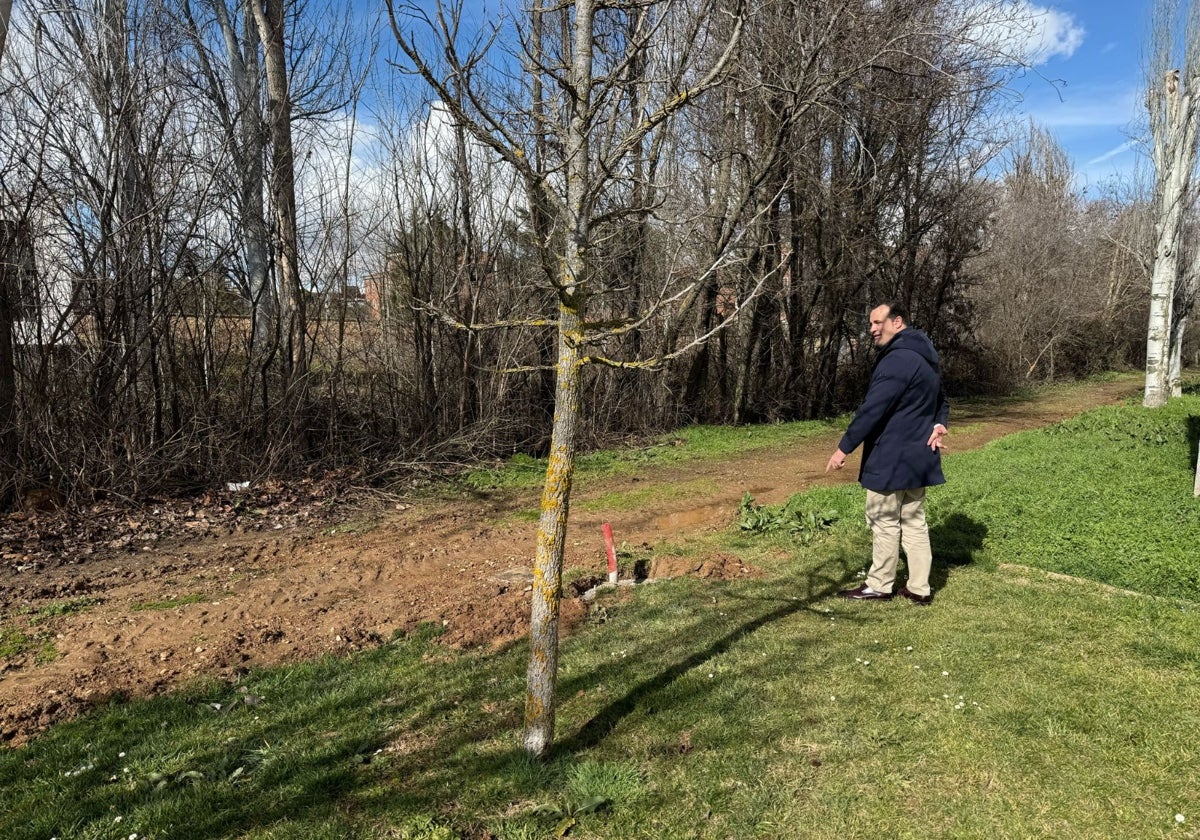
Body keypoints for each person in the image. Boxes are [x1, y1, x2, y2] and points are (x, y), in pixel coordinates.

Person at [826, 302, 948, 605]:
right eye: (870, 324)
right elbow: (941, 399)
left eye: (878, 322)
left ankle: (879, 585)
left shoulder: (899, 360)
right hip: (918, 457)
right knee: (914, 521)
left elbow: (872, 410)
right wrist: (939, 423)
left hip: (892, 457)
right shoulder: (926, 355)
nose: (872, 330)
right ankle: (919, 588)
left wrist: (844, 448)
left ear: (898, 322)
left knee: (883, 520)